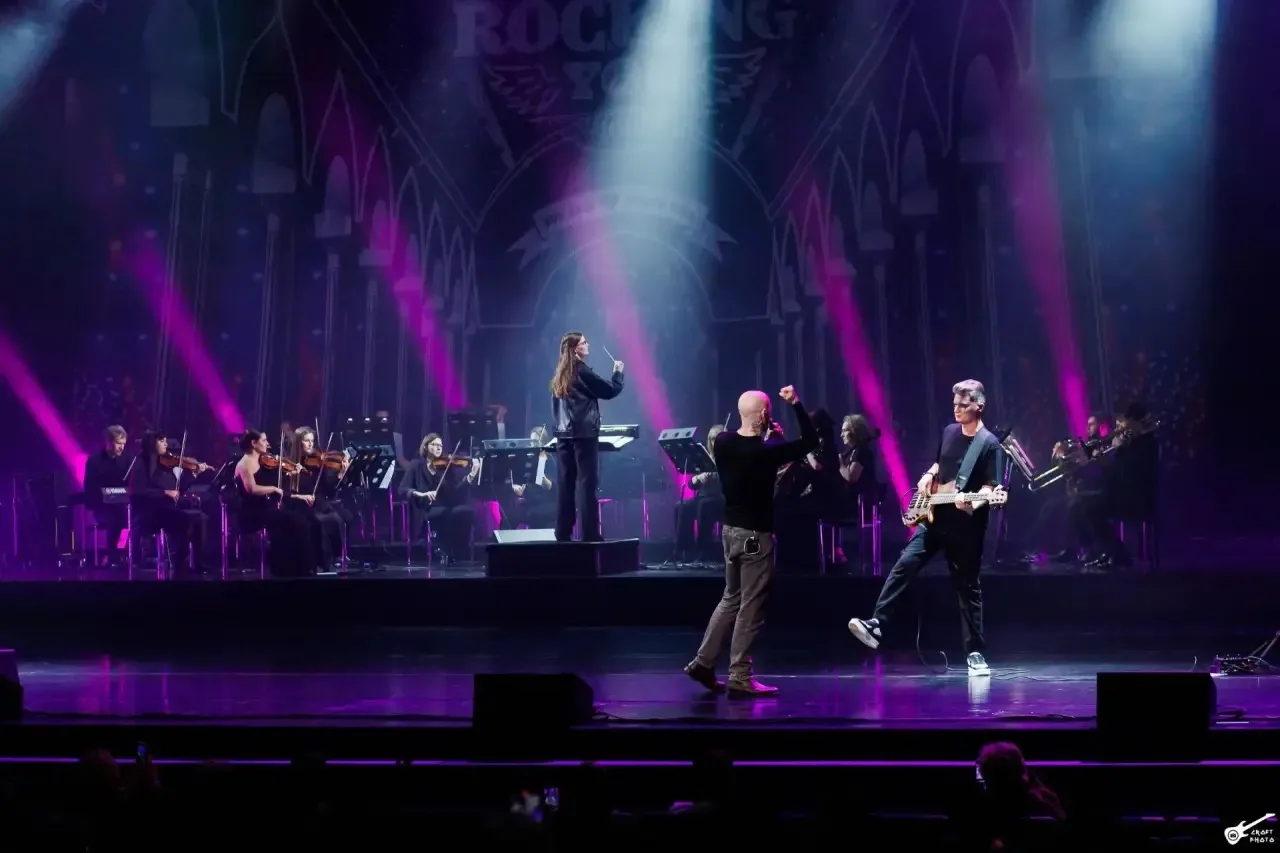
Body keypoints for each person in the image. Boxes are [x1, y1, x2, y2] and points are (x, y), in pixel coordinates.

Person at [848, 379, 1004, 675]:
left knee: (967, 588)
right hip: (934, 518)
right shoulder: (949, 432)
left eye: (964, 405)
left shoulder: (990, 444)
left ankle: (975, 653)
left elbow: (991, 489)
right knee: (905, 564)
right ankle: (877, 624)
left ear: (979, 406)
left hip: (965, 528)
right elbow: (939, 464)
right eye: (955, 404)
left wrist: (974, 502)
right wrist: (927, 476)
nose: (957, 409)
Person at [684, 385, 817, 697]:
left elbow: (753, 448)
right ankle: (740, 675)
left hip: (730, 532)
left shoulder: (723, 442)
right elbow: (810, 442)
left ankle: (703, 662)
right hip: (755, 535)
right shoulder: (767, 451)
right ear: (765, 414)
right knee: (751, 605)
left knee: (730, 598)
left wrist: (770, 437)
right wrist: (796, 405)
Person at [549, 331, 624, 542]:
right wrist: (618, 373)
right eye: (584, 342)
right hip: (584, 434)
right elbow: (609, 390)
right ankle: (589, 533)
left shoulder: (560, 374)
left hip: (563, 436)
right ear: (576, 349)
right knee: (587, 484)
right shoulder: (582, 370)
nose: (587, 345)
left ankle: (562, 531)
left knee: (566, 484)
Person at [128, 430, 213, 575]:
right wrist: (164, 492)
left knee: (200, 518)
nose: (166, 444)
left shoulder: (165, 465)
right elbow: (138, 492)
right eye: (161, 441)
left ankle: (199, 563)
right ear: (151, 443)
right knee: (184, 520)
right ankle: (179, 563)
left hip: (168, 509)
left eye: (166, 441)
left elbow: (178, 490)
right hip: (150, 513)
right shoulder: (141, 464)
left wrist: (194, 474)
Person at [233, 429, 317, 577]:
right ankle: (288, 569)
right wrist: (273, 488)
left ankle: (296, 568)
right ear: (253, 443)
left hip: (267, 508)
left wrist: (289, 475)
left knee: (301, 519)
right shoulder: (244, 464)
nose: (268, 443)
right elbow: (252, 489)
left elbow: (276, 484)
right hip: (253, 513)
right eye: (264, 440)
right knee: (296, 522)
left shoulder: (262, 461)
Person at [399, 433, 480, 563]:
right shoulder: (416, 465)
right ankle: (444, 551)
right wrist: (422, 494)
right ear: (426, 447)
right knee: (443, 513)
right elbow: (403, 489)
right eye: (435, 445)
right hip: (424, 506)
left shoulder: (445, 466)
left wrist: (471, 475)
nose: (439, 448)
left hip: (446, 504)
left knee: (465, 511)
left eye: (440, 446)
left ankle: (461, 552)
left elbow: (456, 490)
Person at [291, 426, 351, 571]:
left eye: (312, 441)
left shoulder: (319, 464)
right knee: (329, 520)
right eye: (307, 441)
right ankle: (324, 561)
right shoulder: (291, 464)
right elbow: (289, 491)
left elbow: (328, 491)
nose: (311, 444)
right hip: (301, 505)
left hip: (320, 503)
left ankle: (338, 556)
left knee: (346, 516)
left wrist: (340, 475)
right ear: (298, 442)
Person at [82, 425, 132, 567]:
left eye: (123, 444)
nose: (122, 447)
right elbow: (90, 487)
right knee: (115, 519)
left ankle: (123, 553)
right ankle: (113, 556)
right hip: (102, 506)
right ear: (108, 442)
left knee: (130, 518)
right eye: (118, 443)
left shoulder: (128, 459)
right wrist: (105, 494)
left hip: (123, 504)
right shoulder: (94, 461)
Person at [674, 424, 725, 562]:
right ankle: (687, 550)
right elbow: (692, 485)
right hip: (703, 497)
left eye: (717, 439)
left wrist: (714, 476)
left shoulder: (730, 457)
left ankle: (704, 550)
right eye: (711, 439)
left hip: (722, 498)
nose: (714, 442)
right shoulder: (704, 458)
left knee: (705, 505)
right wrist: (696, 479)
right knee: (681, 506)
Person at [507, 426, 557, 530]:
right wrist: (517, 486)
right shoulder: (529, 458)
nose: (533, 445)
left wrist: (542, 472)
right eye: (531, 442)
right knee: (510, 511)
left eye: (536, 442)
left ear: (543, 443)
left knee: (533, 514)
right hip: (532, 499)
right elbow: (522, 479)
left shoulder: (548, 458)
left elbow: (550, 487)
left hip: (547, 501)